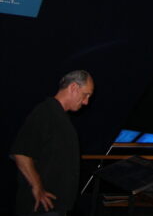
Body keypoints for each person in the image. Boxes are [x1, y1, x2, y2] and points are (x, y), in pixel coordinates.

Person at [9, 70, 95, 215]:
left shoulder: (59, 116)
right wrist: (37, 187)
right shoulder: (45, 113)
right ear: (73, 87)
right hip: (42, 207)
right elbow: (21, 153)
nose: (86, 102)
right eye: (86, 95)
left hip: (54, 206)